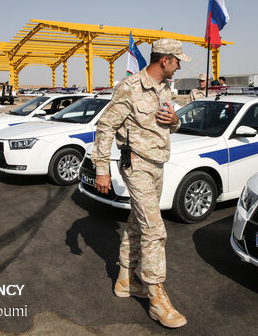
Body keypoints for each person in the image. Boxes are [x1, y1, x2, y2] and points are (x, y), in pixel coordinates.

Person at [92, 39, 189, 328]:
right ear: (164, 60)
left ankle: (124, 280)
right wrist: (101, 169)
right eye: (177, 60)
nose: (180, 65)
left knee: (138, 222)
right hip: (136, 166)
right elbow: (105, 125)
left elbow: (170, 124)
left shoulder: (164, 87)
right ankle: (156, 297)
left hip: (157, 163)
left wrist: (174, 121)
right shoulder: (130, 87)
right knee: (154, 229)